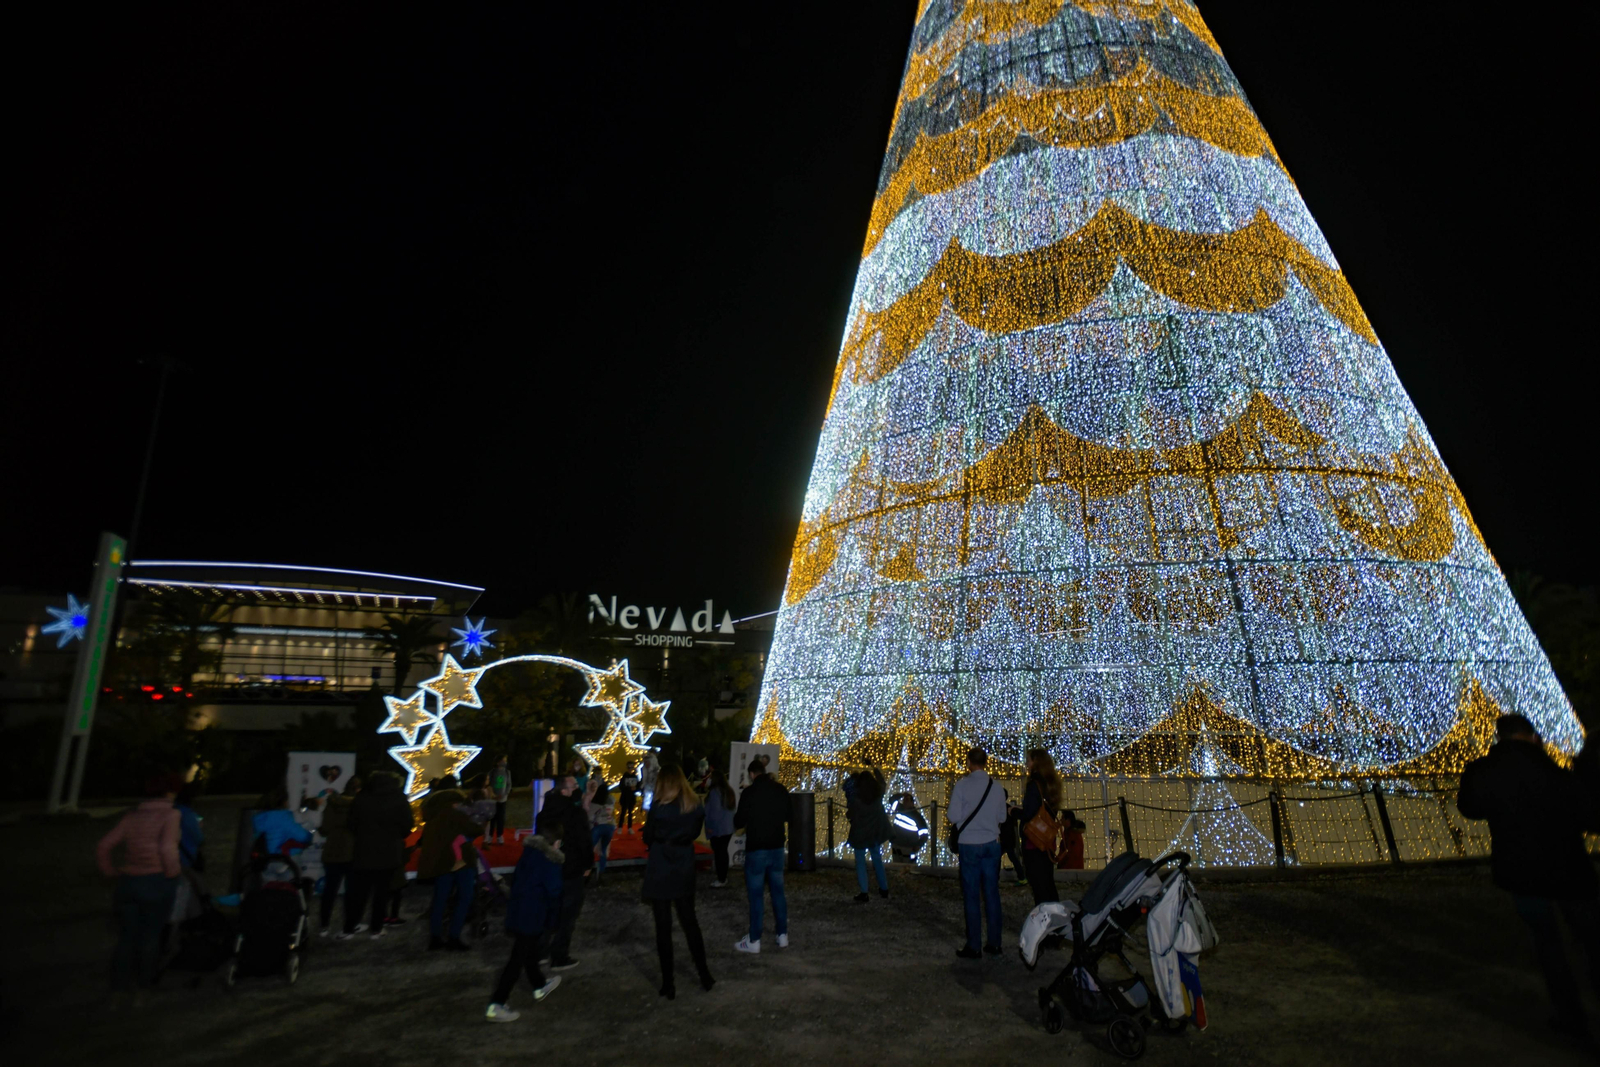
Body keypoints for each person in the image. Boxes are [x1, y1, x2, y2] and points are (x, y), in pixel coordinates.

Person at [1457, 714, 1600, 1039]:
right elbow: (1590, 815)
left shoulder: (1485, 771)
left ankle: (1570, 1015)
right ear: (1532, 736)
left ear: (1500, 737)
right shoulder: (1557, 772)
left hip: (1520, 871)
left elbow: (1469, 807)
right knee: (1592, 940)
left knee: (1547, 944)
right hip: (1568, 870)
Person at [97, 772, 183, 1005]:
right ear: (170, 791)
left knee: (126, 938)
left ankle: (118, 989)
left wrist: (111, 871)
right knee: (150, 937)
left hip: (128, 882)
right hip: (156, 881)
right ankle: (143, 989)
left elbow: (104, 845)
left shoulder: (131, 816)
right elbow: (167, 848)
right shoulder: (171, 815)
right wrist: (173, 872)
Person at [485, 808, 565, 1021]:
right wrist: (554, 920)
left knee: (527, 950)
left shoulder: (529, 854)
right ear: (556, 842)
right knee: (517, 959)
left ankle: (539, 985)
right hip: (533, 914)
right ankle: (497, 1004)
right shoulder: (550, 862)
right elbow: (554, 892)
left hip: (519, 910)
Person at [643, 764, 714, 998]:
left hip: (660, 864)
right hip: (683, 864)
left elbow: (647, 837)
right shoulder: (695, 807)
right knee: (690, 922)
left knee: (663, 928)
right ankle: (704, 975)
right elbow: (695, 834)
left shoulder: (657, 809)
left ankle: (668, 983)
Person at [946, 746, 1007, 959]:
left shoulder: (962, 786)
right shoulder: (997, 787)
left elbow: (953, 816)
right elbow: (1003, 817)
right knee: (991, 893)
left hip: (969, 844)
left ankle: (974, 945)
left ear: (969, 762)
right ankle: (995, 942)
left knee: (971, 895)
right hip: (992, 843)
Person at [342, 770, 414, 940]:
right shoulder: (398, 798)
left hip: (364, 850)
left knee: (359, 893)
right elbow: (408, 825)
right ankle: (376, 928)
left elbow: (351, 823)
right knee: (382, 894)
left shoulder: (362, 797)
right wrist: (396, 836)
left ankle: (349, 928)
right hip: (389, 852)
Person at [733, 757, 789, 953]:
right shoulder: (780, 790)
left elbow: (739, 821)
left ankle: (754, 939)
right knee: (778, 892)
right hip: (776, 848)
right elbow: (789, 815)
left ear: (751, 774)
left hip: (756, 848)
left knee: (756, 895)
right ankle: (782, 935)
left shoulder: (749, 793)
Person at [418, 786, 482, 950]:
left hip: (441, 863)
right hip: (461, 862)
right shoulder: (457, 815)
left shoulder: (433, 817)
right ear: (455, 802)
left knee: (440, 899)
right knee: (464, 897)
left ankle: (435, 937)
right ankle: (454, 936)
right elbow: (476, 829)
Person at [548, 775, 594, 970]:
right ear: (565, 791)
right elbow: (583, 839)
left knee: (550, 909)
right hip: (572, 867)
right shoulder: (574, 813)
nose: (578, 787)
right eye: (575, 785)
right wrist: (588, 865)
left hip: (550, 867)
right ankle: (559, 956)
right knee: (568, 913)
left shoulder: (548, 809)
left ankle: (541, 950)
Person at [1014, 747, 1064, 906]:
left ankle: (1044, 919)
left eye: (1029, 760)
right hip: (1047, 838)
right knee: (1048, 882)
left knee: (1038, 883)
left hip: (1034, 840)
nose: (1027, 764)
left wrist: (1013, 811)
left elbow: (1029, 812)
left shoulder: (1034, 783)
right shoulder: (1051, 783)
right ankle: (1055, 917)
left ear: (1036, 762)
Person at [318, 775, 361, 936]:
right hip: (352, 852)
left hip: (332, 851)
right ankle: (350, 925)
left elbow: (325, 828)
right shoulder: (358, 805)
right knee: (351, 892)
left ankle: (324, 925)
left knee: (329, 890)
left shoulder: (333, 803)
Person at [844, 760, 890, 903]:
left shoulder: (857, 799)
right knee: (877, 858)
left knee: (860, 862)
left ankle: (864, 892)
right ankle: (884, 888)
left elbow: (850, 815)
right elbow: (882, 782)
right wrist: (874, 767)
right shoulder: (878, 795)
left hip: (860, 834)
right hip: (874, 833)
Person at [251, 786, 312, 858]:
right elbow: (303, 837)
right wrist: (311, 835)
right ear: (284, 802)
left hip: (265, 859)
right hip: (282, 859)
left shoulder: (259, 817)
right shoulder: (283, 816)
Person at [704, 765, 736, 888]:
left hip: (718, 828)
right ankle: (723, 876)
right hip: (728, 827)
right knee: (723, 852)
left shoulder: (714, 792)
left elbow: (714, 812)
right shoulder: (728, 790)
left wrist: (710, 826)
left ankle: (721, 878)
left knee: (719, 853)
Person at [586, 776, 615, 886]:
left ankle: (587, 872)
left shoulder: (595, 802)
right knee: (603, 850)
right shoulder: (610, 802)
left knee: (589, 850)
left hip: (598, 827)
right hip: (610, 827)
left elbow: (590, 817)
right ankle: (601, 873)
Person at [490, 755, 513, 846]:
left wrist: (504, 794)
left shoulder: (507, 772)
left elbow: (509, 785)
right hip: (493, 799)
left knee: (501, 818)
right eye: (503, 760)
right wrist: (493, 795)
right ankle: (490, 836)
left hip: (503, 799)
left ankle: (500, 836)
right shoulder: (492, 772)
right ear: (498, 762)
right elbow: (489, 785)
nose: (505, 762)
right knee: (492, 818)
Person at [618, 764, 640, 831]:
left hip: (632, 797)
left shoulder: (635, 777)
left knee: (630, 812)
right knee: (623, 812)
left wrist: (635, 788)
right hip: (625, 797)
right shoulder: (624, 777)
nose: (630, 769)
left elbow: (638, 786)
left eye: (632, 767)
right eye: (629, 767)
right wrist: (629, 788)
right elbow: (621, 787)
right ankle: (620, 827)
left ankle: (630, 827)